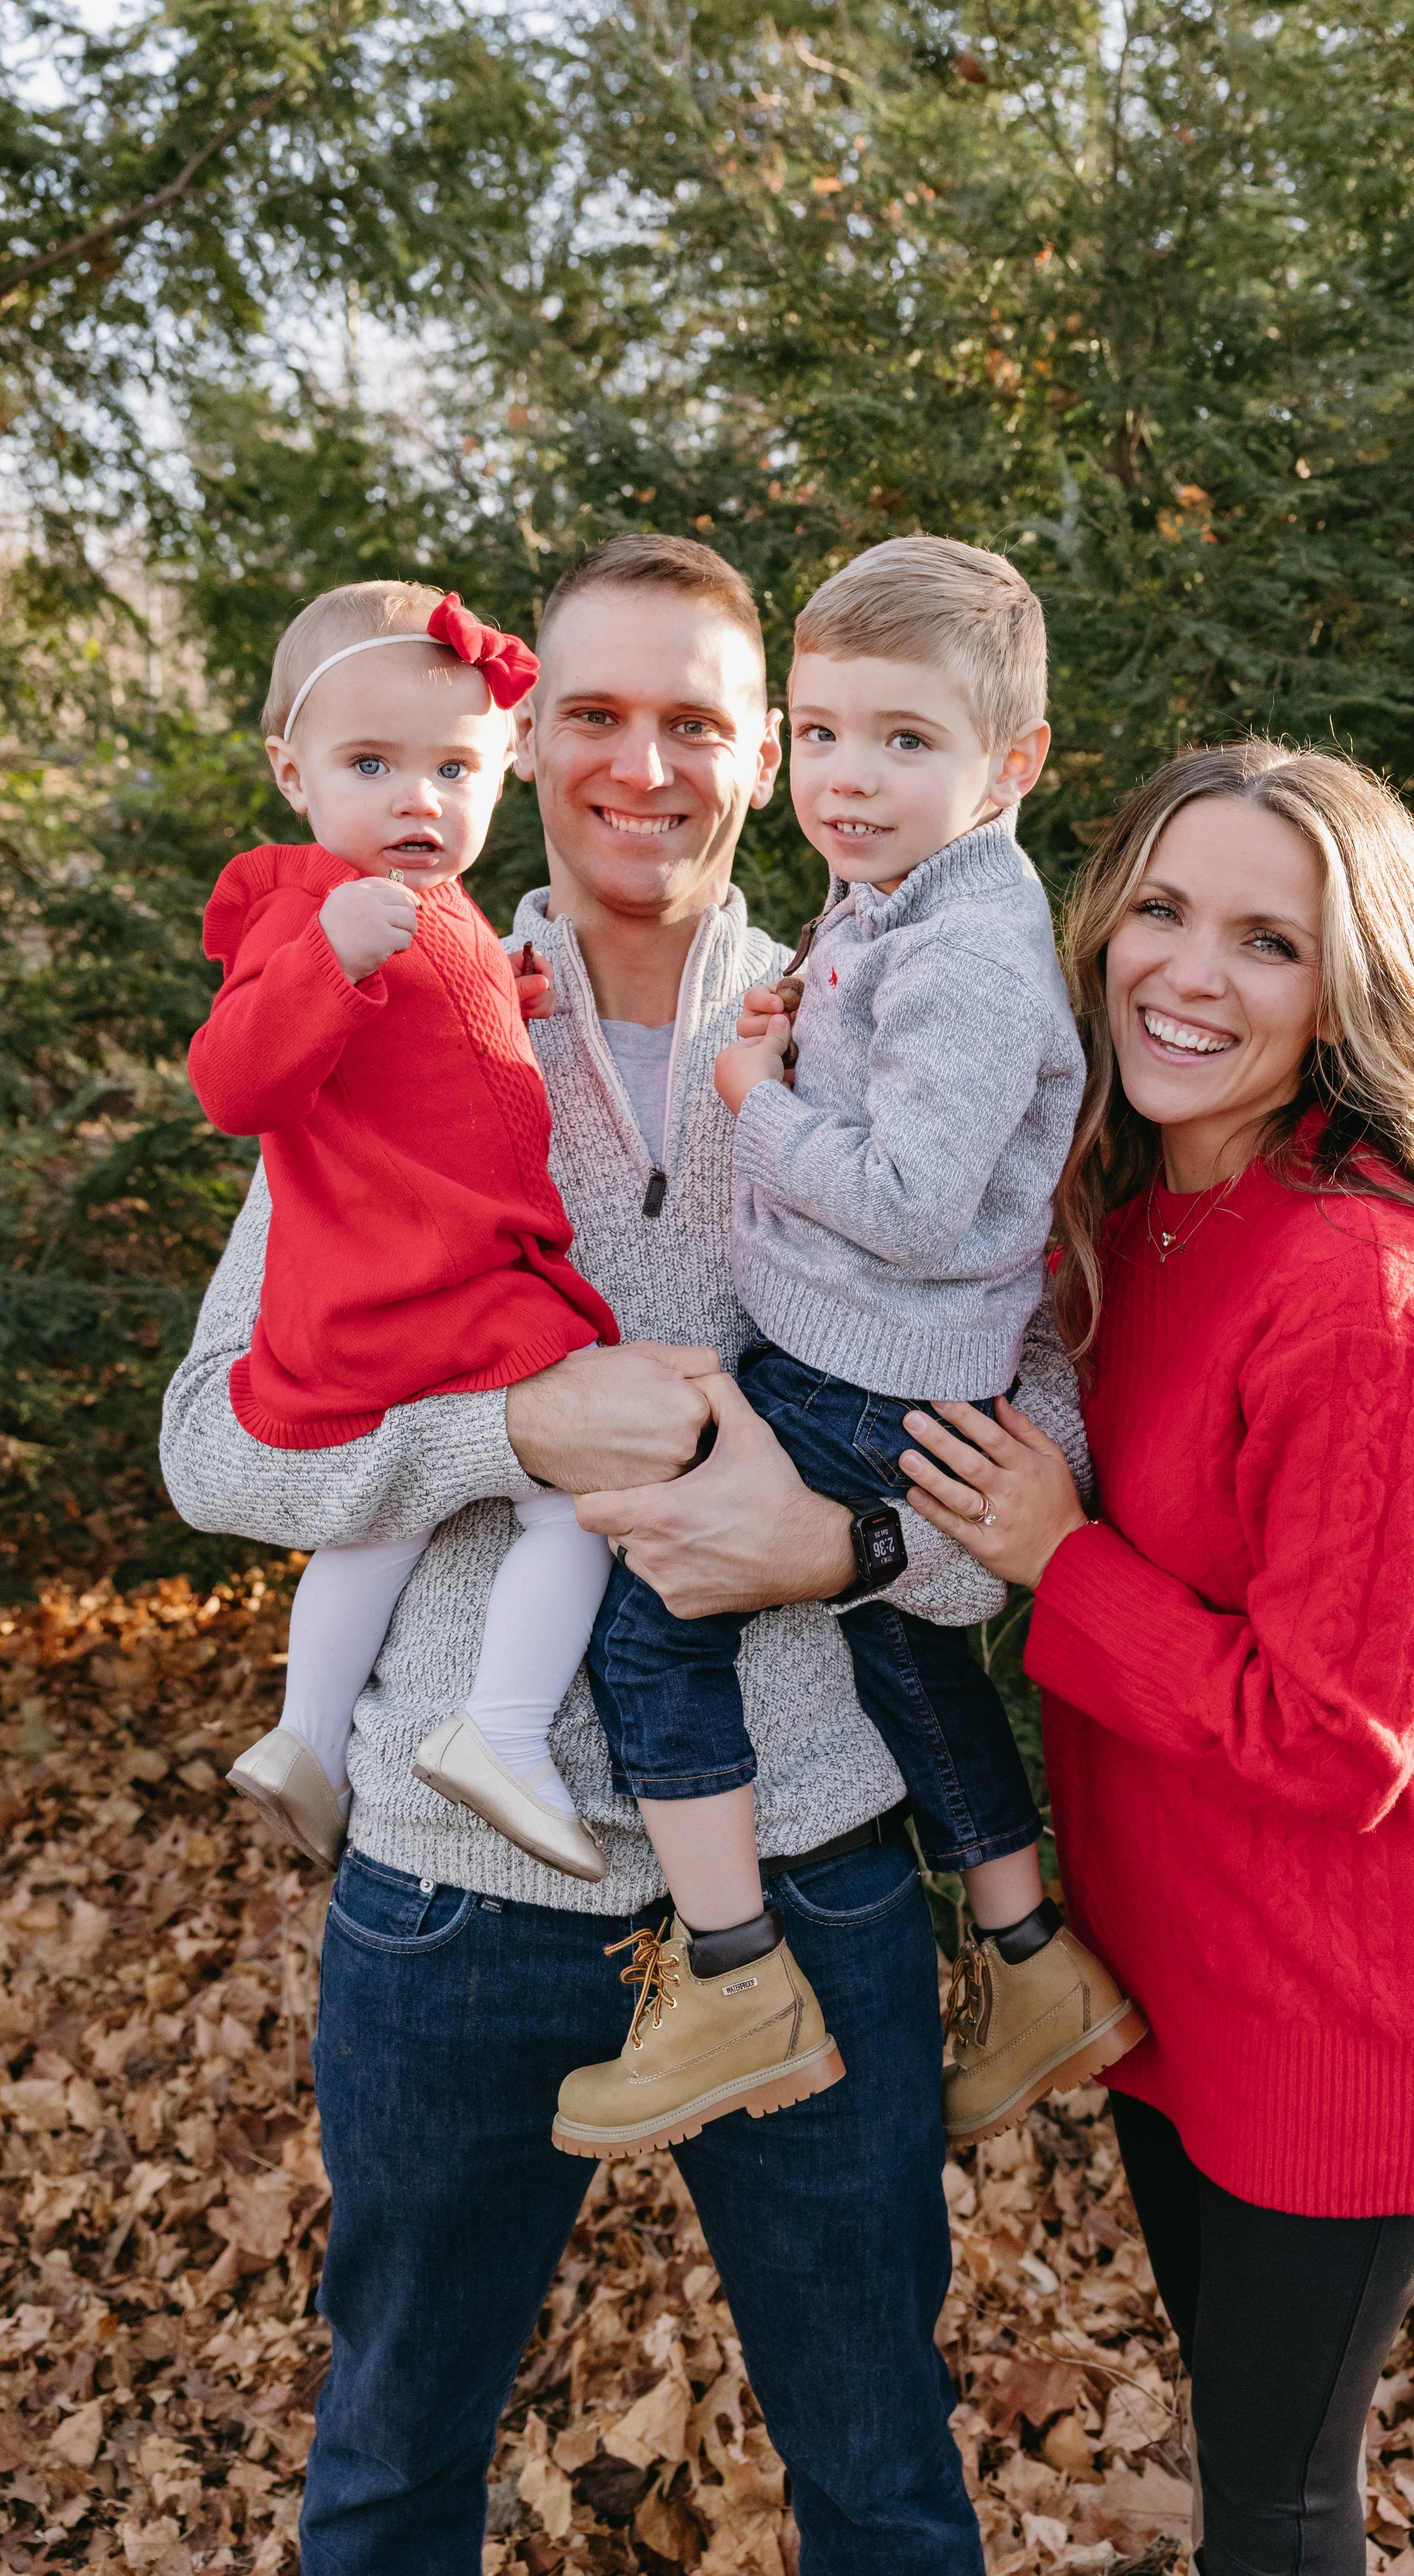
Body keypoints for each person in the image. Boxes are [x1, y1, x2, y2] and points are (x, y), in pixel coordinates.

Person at [161, 532, 1081, 2576]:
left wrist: (842, 1543)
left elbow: (1039, 1447)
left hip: (820, 1872)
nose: (638, 764)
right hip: (447, 1897)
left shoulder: (887, 1003)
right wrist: (503, 1434)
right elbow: (213, 1441)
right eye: (592, 714)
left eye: (693, 721)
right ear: (523, 737)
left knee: (882, 2478)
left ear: (769, 751)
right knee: (393, 2469)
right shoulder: (391, 989)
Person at [895, 739, 1414, 2576]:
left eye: (1267, 943)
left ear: (1347, 994)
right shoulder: (1142, 1212)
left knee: (1278, 2509)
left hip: (1336, 2014)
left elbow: (1330, 1736)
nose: (1189, 974)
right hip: (1182, 1974)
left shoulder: (1364, 1293)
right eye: (1165, 910)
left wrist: (1062, 1556)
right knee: (1239, 2448)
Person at [557, 537, 1140, 2163]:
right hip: (875, 1354)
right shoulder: (902, 898)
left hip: (872, 1364)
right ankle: (1030, 1956)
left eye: (903, 741)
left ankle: (735, 1973)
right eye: (820, 735)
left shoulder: (965, 946)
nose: (847, 780)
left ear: (1010, 764)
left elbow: (905, 1194)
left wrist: (755, 1103)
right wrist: (797, 1036)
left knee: (658, 1610)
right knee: (904, 1649)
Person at [192, 583, 622, 1889]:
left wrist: (513, 990)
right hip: (433, 1291)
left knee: (373, 1530)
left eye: (451, 766)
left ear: (507, 764)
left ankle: (307, 1740)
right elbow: (232, 1084)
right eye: (370, 766)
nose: (416, 799)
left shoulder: (444, 920)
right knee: (583, 1501)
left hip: (395, 1302)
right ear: (292, 775)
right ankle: (499, 1734)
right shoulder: (319, 912)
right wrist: (322, 956)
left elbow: (444, 1043)